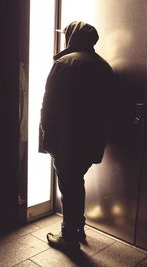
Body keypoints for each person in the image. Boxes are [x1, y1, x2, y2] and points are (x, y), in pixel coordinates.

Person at [40, 21, 113, 250]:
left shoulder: (64, 63)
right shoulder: (104, 66)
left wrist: (47, 135)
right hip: (91, 140)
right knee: (76, 182)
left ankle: (69, 236)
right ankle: (78, 227)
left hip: (66, 139)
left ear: (71, 37)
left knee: (68, 186)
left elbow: (49, 104)